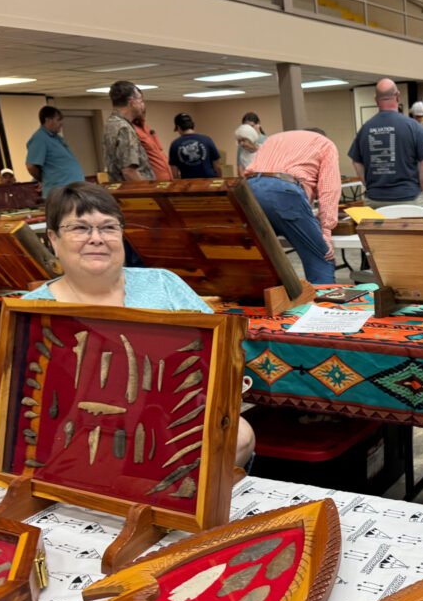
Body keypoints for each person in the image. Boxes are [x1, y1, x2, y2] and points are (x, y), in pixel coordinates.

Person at [23, 181, 254, 468]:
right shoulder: (31, 310)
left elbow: (222, 352)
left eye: (108, 227)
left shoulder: (162, 283)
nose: (96, 238)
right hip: (79, 432)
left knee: (240, 437)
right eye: (80, 228)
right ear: (54, 239)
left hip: (173, 422)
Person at [246, 129, 340, 284]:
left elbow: (250, 171)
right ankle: (323, 304)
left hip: (248, 189)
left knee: (261, 256)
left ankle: (262, 304)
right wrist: (326, 230)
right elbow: (329, 188)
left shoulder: (273, 138)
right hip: (283, 193)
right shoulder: (325, 144)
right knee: (321, 257)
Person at [348, 78, 423, 208]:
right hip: (409, 198)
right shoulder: (413, 126)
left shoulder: (365, 129)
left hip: (375, 199)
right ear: (397, 95)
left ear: (375, 99)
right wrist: (421, 188)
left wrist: (368, 184)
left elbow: (356, 161)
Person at [25, 106, 85, 195]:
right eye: (58, 120)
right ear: (48, 120)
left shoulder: (56, 138)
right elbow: (31, 166)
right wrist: (44, 179)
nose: (62, 123)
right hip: (60, 191)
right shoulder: (40, 138)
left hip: (72, 189)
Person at [102, 81, 154, 183]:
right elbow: (129, 171)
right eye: (140, 100)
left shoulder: (111, 124)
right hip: (136, 193)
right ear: (132, 102)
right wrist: (148, 192)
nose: (142, 105)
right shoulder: (124, 128)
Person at [168, 113, 221, 179]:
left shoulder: (175, 144)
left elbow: (175, 173)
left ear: (178, 127)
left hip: (189, 184)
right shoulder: (207, 140)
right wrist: (220, 181)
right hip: (209, 182)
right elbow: (217, 166)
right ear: (193, 125)